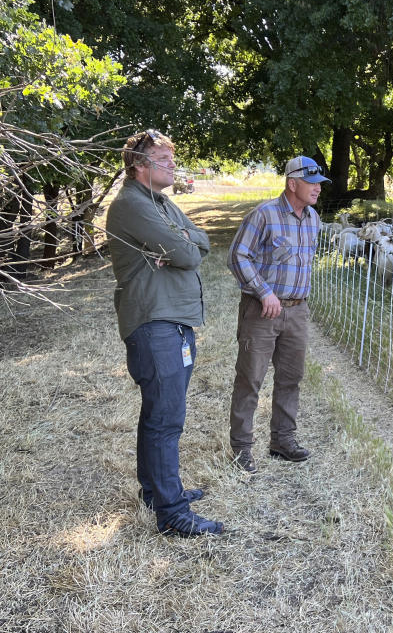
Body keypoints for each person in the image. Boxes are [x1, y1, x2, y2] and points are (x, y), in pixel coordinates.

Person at [106, 129, 223, 537]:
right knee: (165, 419)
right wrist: (180, 245)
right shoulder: (132, 205)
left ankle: (156, 492)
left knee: (160, 415)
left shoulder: (161, 203)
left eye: (172, 158)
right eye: (163, 158)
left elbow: (200, 243)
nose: (173, 165)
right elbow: (189, 255)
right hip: (154, 324)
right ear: (139, 164)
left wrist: (180, 241)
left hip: (171, 321)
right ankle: (171, 513)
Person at [227, 156, 329, 473]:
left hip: (297, 311)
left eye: (319, 184)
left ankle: (282, 440)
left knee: (291, 378)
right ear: (292, 183)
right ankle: (241, 449)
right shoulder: (264, 215)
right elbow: (237, 256)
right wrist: (263, 291)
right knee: (250, 379)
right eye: (311, 182)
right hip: (262, 311)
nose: (317, 189)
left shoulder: (313, 219)